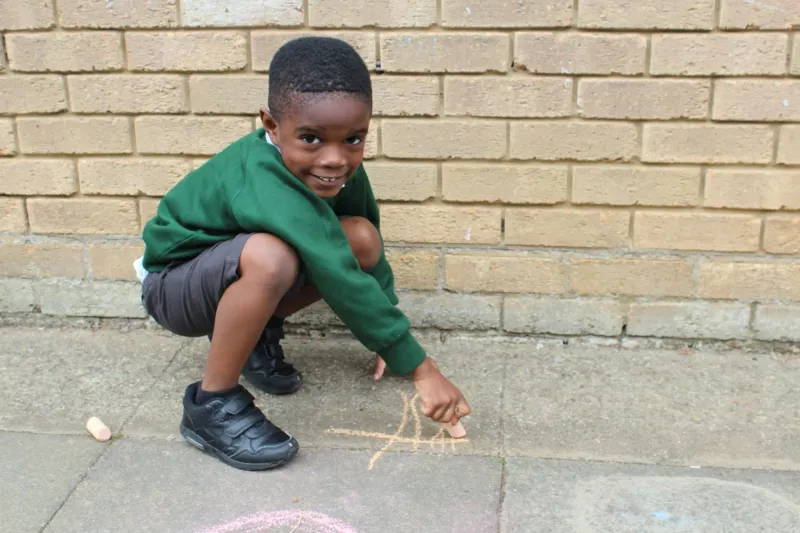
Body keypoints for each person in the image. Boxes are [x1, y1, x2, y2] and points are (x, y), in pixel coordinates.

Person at [133, 36, 471, 471]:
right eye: (311, 138)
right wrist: (420, 367)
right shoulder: (262, 173)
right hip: (172, 288)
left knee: (360, 238)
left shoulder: (336, 170)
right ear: (271, 125)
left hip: (227, 275)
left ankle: (251, 338)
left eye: (353, 139)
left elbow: (357, 251)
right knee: (271, 257)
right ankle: (211, 406)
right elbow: (333, 268)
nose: (334, 159)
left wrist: (387, 326)